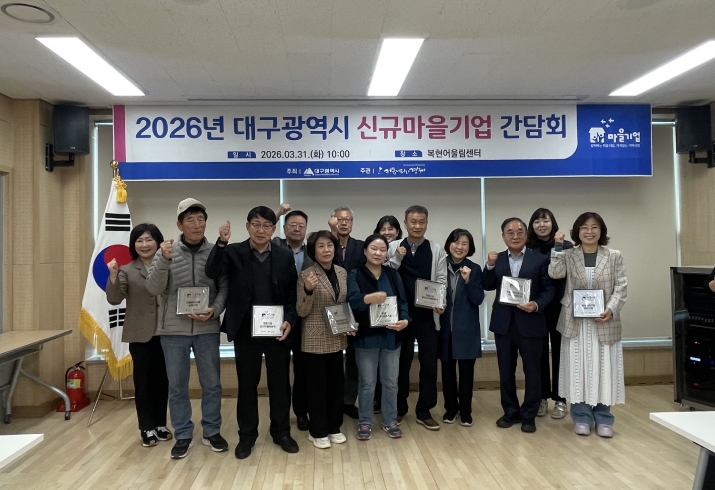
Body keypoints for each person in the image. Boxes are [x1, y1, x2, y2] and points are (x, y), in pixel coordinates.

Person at [205, 206, 299, 460]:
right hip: (246, 331)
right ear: (247, 226)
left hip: (277, 330)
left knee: (280, 384)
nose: (261, 230)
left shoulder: (283, 255)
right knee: (247, 385)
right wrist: (221, 243)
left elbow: (293, 292)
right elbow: (211, 272)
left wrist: (290, 320)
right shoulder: (233, 251)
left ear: (274, 229)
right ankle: (247, 436)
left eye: (267, 225)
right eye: (256, 224)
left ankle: (281, 432)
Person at [145, 198, 228, 459]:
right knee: (177, 386)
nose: (197, 224)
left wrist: (215, 309)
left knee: (212, 384)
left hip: (207, 328)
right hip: (173, 331)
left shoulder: (215, 251)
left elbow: (224, 287)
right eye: (190, 219)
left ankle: (212, 431)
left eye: (201, 219)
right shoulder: (166, 252)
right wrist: (164, 260)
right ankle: (182, 434)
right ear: (179, 225)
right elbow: (153, 288)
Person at [550, 212, 627, 438]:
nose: (589, 231)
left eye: (594, 227)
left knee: (604, 371)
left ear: (601, 231)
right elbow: (555, 273)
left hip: (604, 321)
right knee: (578, 370)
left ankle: (604, 418)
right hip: (576, 323)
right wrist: (557, 247)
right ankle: (581, 417)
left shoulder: (614, 256)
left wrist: (611, 309)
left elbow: (621, 287)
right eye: (584, 227)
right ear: (577, 232)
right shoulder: (568, 254)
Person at [482, 217, 554, 434]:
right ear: (503, 236)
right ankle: (510, 411)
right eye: (510, 232)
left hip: (531, 322)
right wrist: (489, 266)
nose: (515, 236)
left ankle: (529, 414)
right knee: (506, 370)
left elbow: (549, 289)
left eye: (520, 232)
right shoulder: (497, 259)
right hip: (504, 324)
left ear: (526, 234)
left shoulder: (540, 259)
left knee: (533, 371)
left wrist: (537, 305)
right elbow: (486, 284)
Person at [106, 223, 171, 448]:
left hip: (167, 332)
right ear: (133, 245)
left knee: (163, 381)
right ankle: (146, 426)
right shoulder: (127, 270)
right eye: (139, 240)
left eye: (149, 239)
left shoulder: (168, 264)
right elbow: (115, 298)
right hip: (140, 334)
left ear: (158, 242)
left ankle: (161, 424)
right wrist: (113, 275)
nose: (144, 245)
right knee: (143, 383)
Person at [387, 205, 447, 430]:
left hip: (427, 316)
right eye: (413, 221)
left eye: (422, 221)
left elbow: (441, 279)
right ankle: (399, 408)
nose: (417, 225)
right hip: (401, 316)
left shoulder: (436, 249)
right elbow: (384, 272)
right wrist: (397, 257)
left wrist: (441, 301)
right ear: (405, 223)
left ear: (427, 223)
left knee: (429, 364)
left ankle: (424, 410)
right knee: (400, 365)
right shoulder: (393, 246)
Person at [348, 234, 410, 440]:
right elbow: (352, 300)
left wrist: (405, 320)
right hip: (366, 338)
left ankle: (390, 420)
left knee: (391, 382)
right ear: (365, 251)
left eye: (382, 250)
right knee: (367, 383)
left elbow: (403, 302)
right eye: (374, 249)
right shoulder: (355, 273)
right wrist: (369, 298)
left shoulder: (393, 274)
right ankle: (365, 421)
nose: (378, 253)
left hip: (391, 336)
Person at [296, 230, 350, 449]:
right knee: (317, 388)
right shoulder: (306, 275)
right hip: (315, 339)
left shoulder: (342, 272)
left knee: (336, 385)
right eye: (321, 246)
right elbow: (301, 311)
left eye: (330, 245)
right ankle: (317, 431)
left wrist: (349, 324)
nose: (326, 250)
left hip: (337, 336)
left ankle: (334, 426)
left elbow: (343, 303)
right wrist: (308, 290)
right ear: (313, 251)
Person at [526, 208, 573, 420]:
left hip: (560, 307)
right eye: (537, 221)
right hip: (536, 308)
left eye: (545, 221)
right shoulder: (528, 247)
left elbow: (563, 274)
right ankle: (542, 397)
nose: (541, 225)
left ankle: (561, 399)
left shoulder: (566, 246)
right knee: (539, 355)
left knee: (561, 354)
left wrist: (558, 246)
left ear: (553, 223)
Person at [438, 229, 485, 427]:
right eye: (456, 242)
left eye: (464, 243)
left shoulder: (474, 269)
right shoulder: (440, 266)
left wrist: (468, 281)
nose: (459, 247)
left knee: (466, 373)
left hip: (466, 330)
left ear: (469, 247)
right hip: (444, 329)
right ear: (449, 244)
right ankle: (450, 409)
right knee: (447, 373)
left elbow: (478, 299)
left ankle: (466, 412)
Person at [273, 204, 313, 431]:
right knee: (279, 371)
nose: (297, 229)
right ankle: (280, 416)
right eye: (292, 225)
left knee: (303, 369)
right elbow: (264, 228)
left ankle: (301, 411)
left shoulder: (312, 251)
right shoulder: (275, 246)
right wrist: (277, 213)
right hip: (280, 318)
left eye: (301, 226)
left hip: (306, 318)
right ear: (284, 227)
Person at [328, 206, 366, 420]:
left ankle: (348, 401)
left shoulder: (361, 246)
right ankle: (331, 400)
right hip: (330, 307)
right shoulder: (325, 242)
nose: (343, 223)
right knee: (331, 359)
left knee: (353, 359)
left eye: (348, 219)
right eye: (339, 219)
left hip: (355, 309)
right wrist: (332, 234)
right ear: (332, 221)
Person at [371, 215, 404, 413]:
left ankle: (393, 408)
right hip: (376, 316)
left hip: (398, 316)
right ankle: (377, 401)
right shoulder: (375, 255)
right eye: (383, 229)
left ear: (398, 231)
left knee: (393, 371)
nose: (387, 232)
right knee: (372, 367)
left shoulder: (403, 247)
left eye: (391, 228)